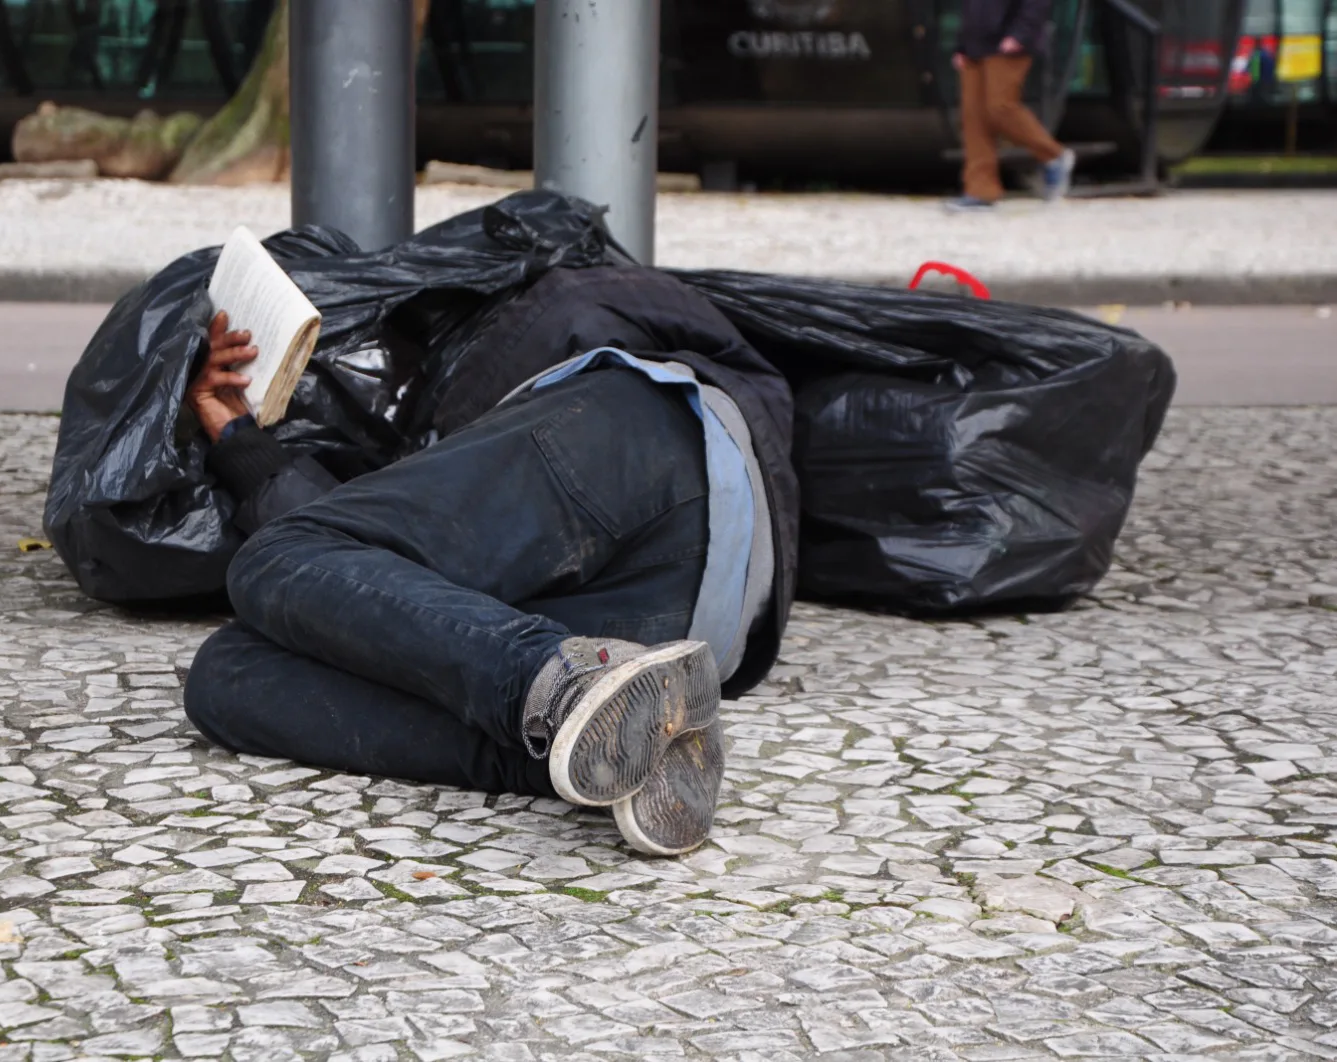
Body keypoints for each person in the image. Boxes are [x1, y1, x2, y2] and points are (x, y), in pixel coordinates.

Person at [180, 267, 798, 856]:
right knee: (225, 675)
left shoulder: (454, 351)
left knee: (276, 556)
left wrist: (242, 444)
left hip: (649, 442)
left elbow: (317, 551)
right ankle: (615, 750)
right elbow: (351, 583)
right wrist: (238, 437)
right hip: (702, 628)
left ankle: (561, 685)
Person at [946, 0, 1077, 213]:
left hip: (1008, 42)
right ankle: (980, 191)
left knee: (1000, 107)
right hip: (974, 45)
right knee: (973, 118)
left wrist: (1020, 34)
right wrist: (961, 44)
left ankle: (1054, 155)